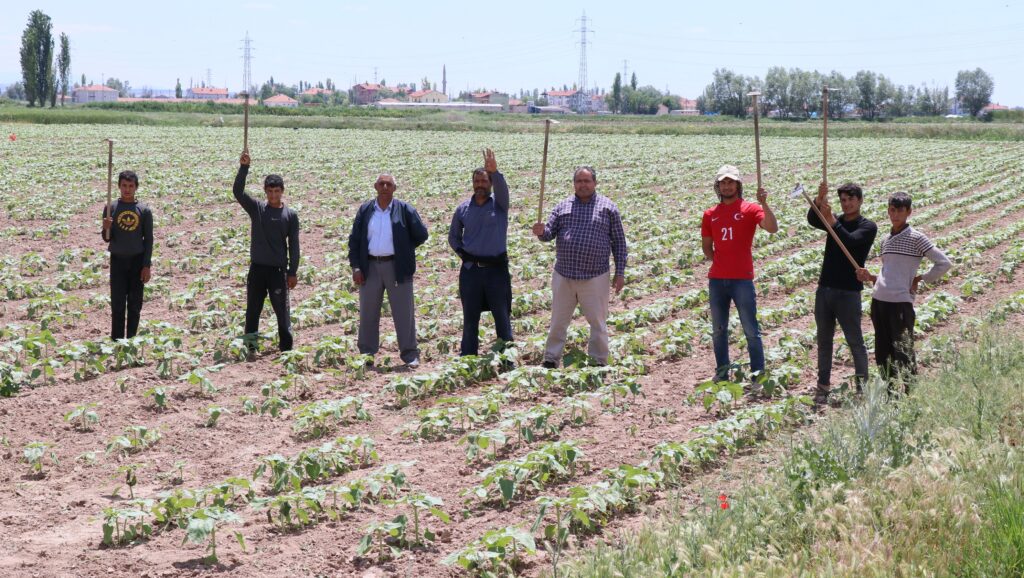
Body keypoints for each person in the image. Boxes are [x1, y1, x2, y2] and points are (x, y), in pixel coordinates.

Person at [532, 166, 627, 367]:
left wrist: (620, 273)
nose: (583, 185)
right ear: (574, 184)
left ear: (595, 183)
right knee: (558, 320)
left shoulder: (608, 207)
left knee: (598, 322)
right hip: (564, 274)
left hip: (595, 276)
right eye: (579, 181)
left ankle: (598, 360)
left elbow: (619, 242)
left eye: (587, 181)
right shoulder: (562, 206)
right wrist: (541, 232)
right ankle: (551, 359)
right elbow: (549, 234)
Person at [857, 192, 951, 392]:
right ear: (888, 211)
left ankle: (911, 395)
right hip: (878, 301)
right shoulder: (885, 240)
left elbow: (943, 263)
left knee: (904, 352)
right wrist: (872, 277)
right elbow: (889, 272)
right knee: (883, 352)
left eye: (900, 210)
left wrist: (920, 278)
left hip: (900, 304)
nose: (895, 214)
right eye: (892, 210)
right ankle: (890, 393)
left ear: (909, 212)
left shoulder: (916, 238)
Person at [701, 164, 778, 382]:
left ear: (737, 185)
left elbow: (772, 227)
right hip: (717, 280)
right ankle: (722, 372)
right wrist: (717, 260)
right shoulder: (710, 214)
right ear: (718, 186)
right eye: (723, 183)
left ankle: (758, 375)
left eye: (730, 182)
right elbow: (707, 245)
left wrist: (765, 203)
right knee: (718, 330)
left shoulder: (750, 209)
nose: (726, 186)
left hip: (742, 280)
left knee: (751, 330)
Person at [349, 173, 429, 368]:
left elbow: (421, 234)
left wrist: (403, 249)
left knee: (404, 313)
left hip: (397, 267)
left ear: (394, 188)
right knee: (368, 313)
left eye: (389, 184)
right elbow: (355, 240)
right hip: (370, 267)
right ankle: (366, 354)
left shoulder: (405, 210)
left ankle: (410, 355)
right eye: (381, 184)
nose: (385, 187)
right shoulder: (366, 210)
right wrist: (356, 266)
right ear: (375, 186)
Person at [808, 182, 877, 404]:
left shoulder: (867, 226)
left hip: (848, 293)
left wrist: (832, 221)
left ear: (860, 200)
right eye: (843, 200)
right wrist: (819, 200)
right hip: (825, 289)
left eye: (851, 199)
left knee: (855, 340)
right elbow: (812, 219)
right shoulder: (834, 221)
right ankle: (823, 386)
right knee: (824, 339)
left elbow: (851, 241)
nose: (847, 204)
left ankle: (862, 388)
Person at [448, 148, 513, 356]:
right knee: (470, 317)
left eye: (484, 181)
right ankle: (468, 356)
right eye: (477, 181)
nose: (480, 185)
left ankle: (507, 358)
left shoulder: (500, 204)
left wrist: (495, 172)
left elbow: (503, 190)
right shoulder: (463, 209)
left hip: (496, 270)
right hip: (471, 272)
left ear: (491, 184)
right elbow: (453, 237)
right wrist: (464, 255)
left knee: (502, 315)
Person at [234, 152, 300, 353]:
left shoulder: (290, 215)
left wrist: (292, 271)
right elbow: (238, 192)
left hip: (278, 272)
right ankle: (251, 347)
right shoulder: (257, 209)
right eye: (270, 191)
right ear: (265, 191)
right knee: (253, 310)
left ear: (282, 191)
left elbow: (294, 245)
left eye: (277, 191)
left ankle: (286, 350)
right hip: (257, 269)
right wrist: (244, 168)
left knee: (282, 312)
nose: (273, 195)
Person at [101, 170, 153, 340]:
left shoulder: (144, 210)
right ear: (119, 186)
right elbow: (107, 238)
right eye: (124, 185)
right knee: (117, 303)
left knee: (135, 303)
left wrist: (146, 265)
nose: (127, 189)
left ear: (136, 187)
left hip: (137, 261)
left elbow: (149, 239)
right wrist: (106, 227)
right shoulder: (111, 208)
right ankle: (116, 340)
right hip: (117, 260)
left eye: (131, 186)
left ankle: (131, 339)